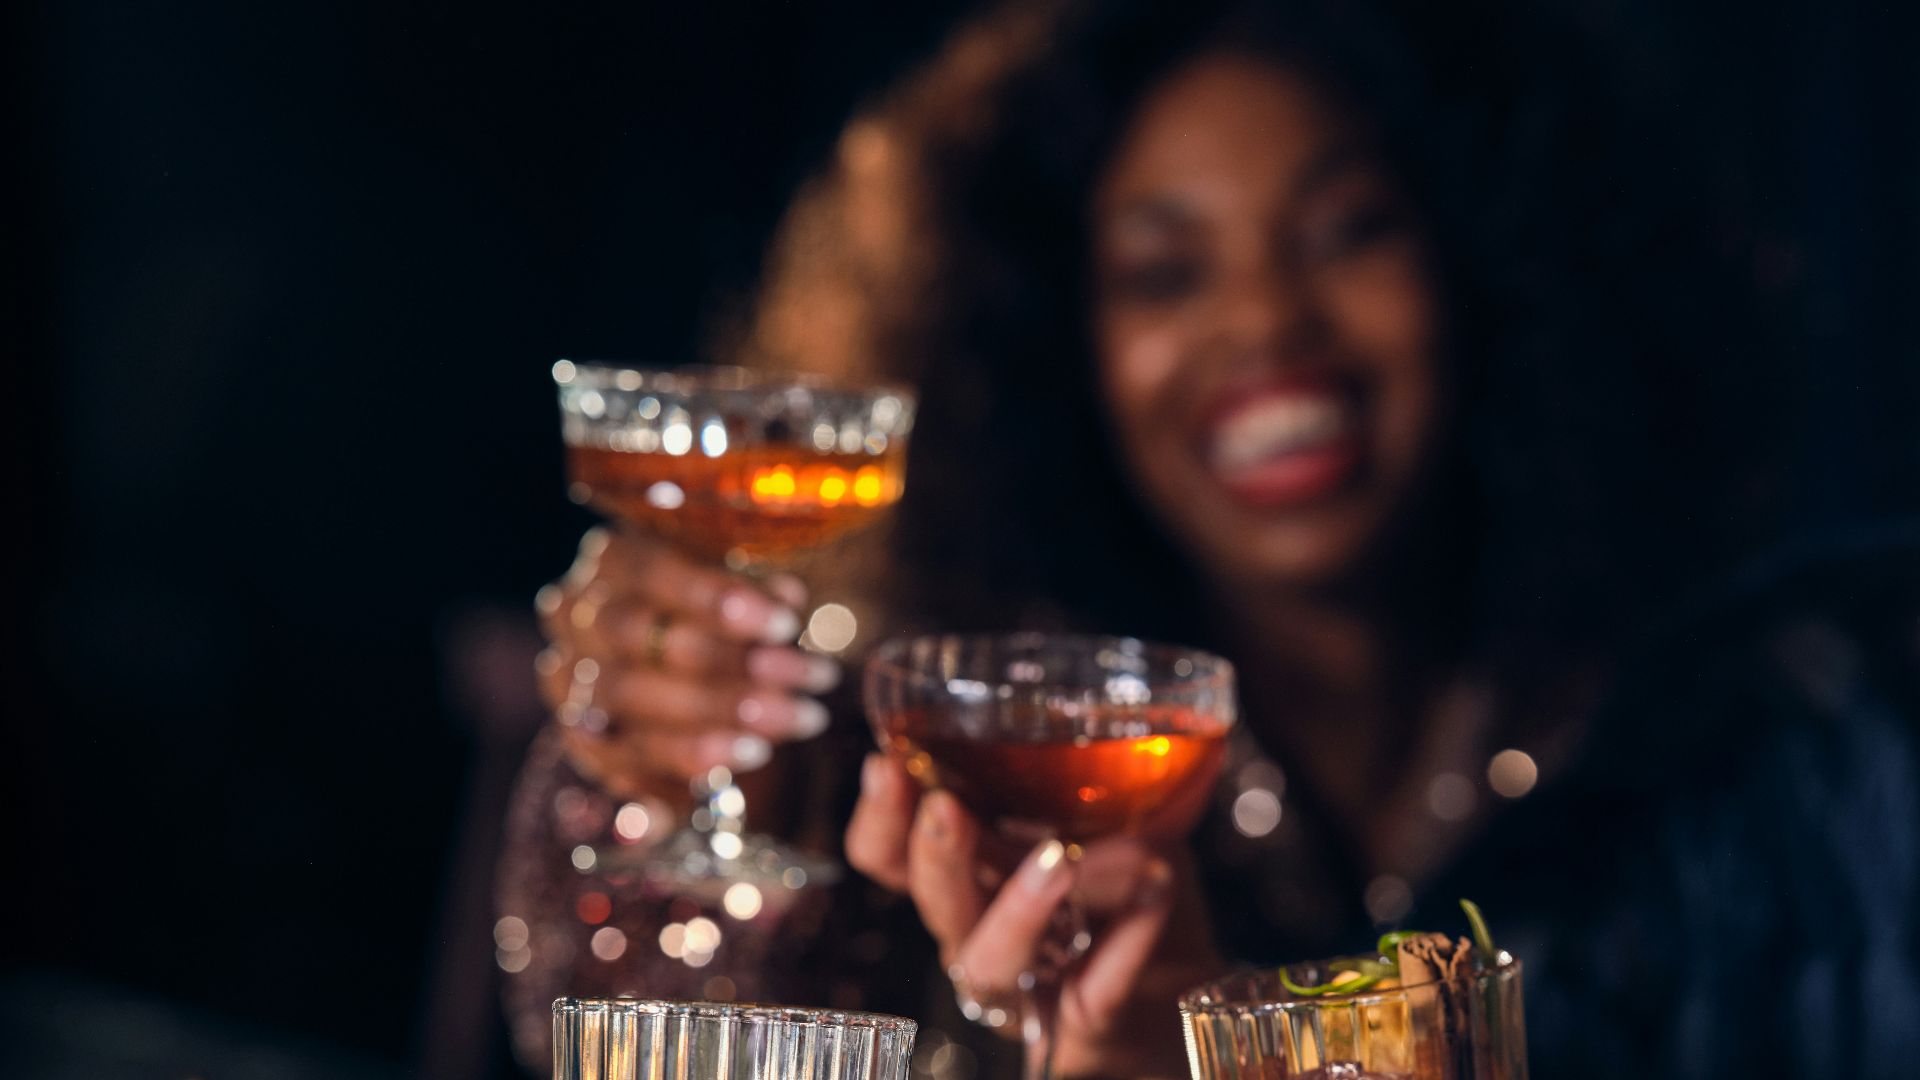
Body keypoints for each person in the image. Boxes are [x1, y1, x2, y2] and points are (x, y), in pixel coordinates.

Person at [510, 1, 1920, 1076]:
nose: (1266, 325)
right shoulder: (982, 751)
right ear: (1056, 353)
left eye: (1346, 230)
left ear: (1492, 271)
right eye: (1165, 272)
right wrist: (649, 779)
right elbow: (654, 1028)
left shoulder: (1772, 728)